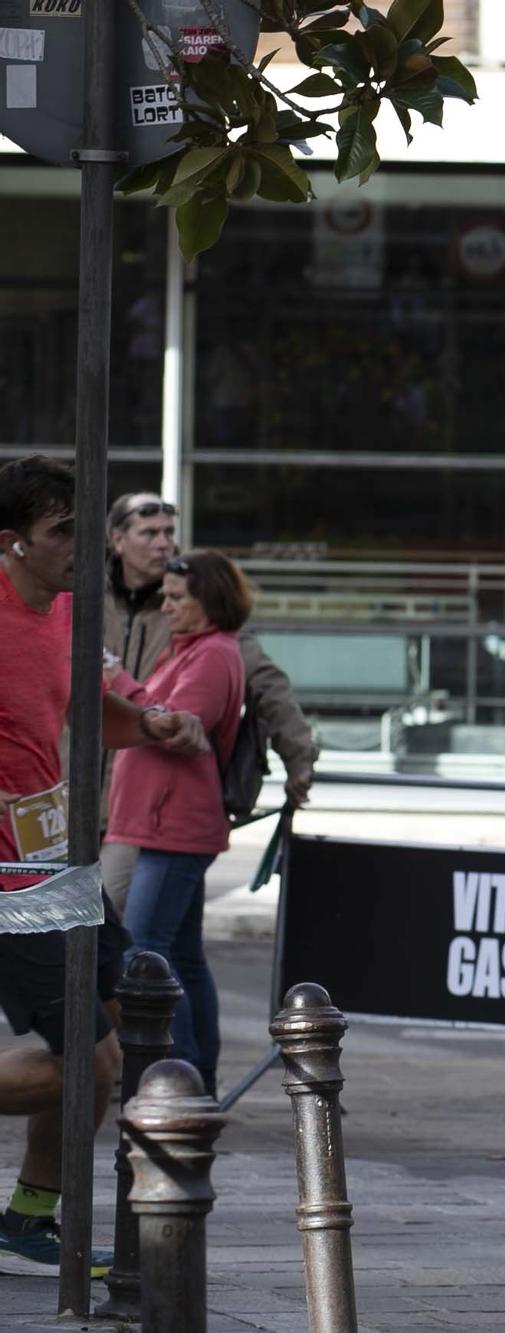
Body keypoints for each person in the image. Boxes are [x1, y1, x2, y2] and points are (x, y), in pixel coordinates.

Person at [0, 456, 205, 1274]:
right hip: (8, 880)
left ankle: (29, 1214)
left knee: (122, 1023)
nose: (80, 546)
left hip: (55, 860)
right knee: (91, 1061)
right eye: (61, 531)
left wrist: (149, 725)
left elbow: (83, 709)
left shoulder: (68, 613)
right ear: (12, 542)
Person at [99, 491, 318, 911]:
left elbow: (269, 685)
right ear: (117, 540)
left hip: (149, 802)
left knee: (113, 929)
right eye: (149, 533)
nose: (164, 543)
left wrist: (299, 757)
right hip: (74, 793)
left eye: (169, 533)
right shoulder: (83, 600)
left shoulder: (199, 612)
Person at [105, 551, 255, 1099]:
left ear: (208, 601)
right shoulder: (192, 648)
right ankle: (196, 1076)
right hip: (160, 822)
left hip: (175, 825)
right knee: (182, 954)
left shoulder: (213, 654)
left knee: (143, 949)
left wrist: (118, 679)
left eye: (176, 598)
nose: (165, 606)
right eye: (164, 596)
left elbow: (170, 724)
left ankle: (181, 1074)